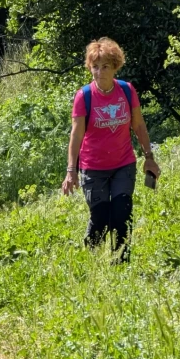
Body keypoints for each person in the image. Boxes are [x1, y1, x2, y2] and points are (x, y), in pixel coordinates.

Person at [61, 37, 160, 262]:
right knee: (100, 218)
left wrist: (149, 157)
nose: (99, 72)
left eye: (105, 66)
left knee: (121, 213)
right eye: (95, 66)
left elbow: (138, 125)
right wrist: (71, 171)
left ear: (115, 67)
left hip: (123, 164)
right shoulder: (84, 96)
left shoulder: (126, 91)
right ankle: (91, 261)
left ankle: (121, 262)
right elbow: (76, 135)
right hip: (93, 168)